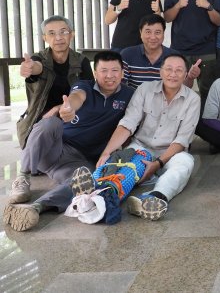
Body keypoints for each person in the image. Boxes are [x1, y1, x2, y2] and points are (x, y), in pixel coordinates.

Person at [4, 51, 133, 231]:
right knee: (50, 123)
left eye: (114, 70)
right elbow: (76, 98)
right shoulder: (84, 86)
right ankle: (22, 178)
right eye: (104, 70)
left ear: (122, 72)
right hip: (55, 149)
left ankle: (36, 208)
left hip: (78, 162)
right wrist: (67, 108)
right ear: (95, 73)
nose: (109, 76)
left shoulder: (129, 95)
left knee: (87, 182)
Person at [96, 54, 200, 221]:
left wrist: (158, 163)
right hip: (141, 148)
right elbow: (128, 124)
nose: (173, 74)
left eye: (179, 70)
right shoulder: (145, 90)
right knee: (125, 167)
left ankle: (155, 198)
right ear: (160, 72)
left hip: (171, 152)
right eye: (169, 69)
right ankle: (103, 196)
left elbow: (182, 139)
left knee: (186, 164)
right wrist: (107, 151)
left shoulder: (193, 99)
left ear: (186, 74)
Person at [16, 15, 94, 148]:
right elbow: (37, 66)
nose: (58, 38)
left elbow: (89, 92)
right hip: (43, 117)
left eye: (63, 32)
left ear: (71, 34)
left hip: (73, 115)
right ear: (44, 38)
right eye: (51, 33)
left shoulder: (81, 61)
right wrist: (29, 68)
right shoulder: (39, 58)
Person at [164, 0, 220, 108]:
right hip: (179, 50)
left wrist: (208, 6)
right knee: (176, 91)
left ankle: (207, 128)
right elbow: (167, 18)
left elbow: (219, 21)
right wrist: (178, 5)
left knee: (208, 93)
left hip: (207, 51)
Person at [120, 14, 200, 89]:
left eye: (157, 32)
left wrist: (190, 77)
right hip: (136, 102)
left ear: (163, 34)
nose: (153, 37)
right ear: (140, 33)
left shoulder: (175, 56)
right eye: (148, 32)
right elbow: (120, 85)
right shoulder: (127, 55)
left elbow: (184, 87)